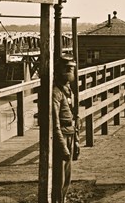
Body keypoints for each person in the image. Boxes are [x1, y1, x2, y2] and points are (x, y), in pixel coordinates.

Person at [52, 56, 77, 202]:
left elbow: (73, 116)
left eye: (71, 68)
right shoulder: (56, 92)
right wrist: (62, 146)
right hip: (62, 134)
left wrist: (77, 140)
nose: (69, 71)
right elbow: (55, 122)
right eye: (66, 68)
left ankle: (63, 198)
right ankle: (58, 200)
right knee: (60, 177)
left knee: (67, 175)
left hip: (70, 133)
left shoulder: (67, 90)